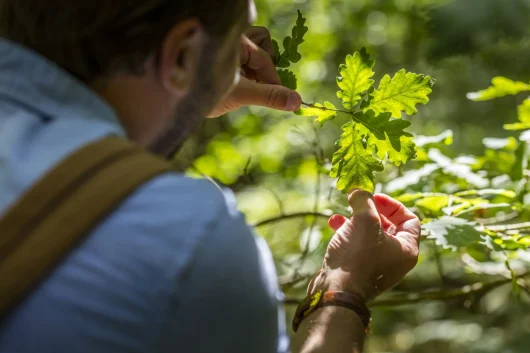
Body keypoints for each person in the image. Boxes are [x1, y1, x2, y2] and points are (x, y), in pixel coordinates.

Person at [0, 0, 421, 352]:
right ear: (180, 54)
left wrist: (188, 83)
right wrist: (343, 292)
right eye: (227, 51)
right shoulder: (188, 239)